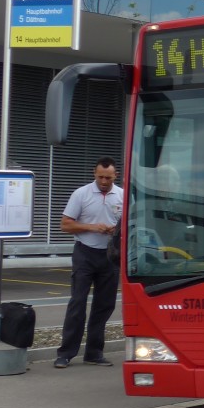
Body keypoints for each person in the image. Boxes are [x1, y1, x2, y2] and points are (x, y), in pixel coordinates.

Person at [54, 158, 123, 368]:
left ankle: (94, 352)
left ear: (115, 176)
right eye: (100, 177)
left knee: (104, 305)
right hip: (85, 253)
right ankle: (65, 353)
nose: (103, 181)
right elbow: (65, 225)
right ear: (94, 173)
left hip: (110, 255)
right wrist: (93, 227)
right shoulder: (81, 194)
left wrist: (116, 231)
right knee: (78, 303)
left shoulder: (122, 195)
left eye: (108, 178)